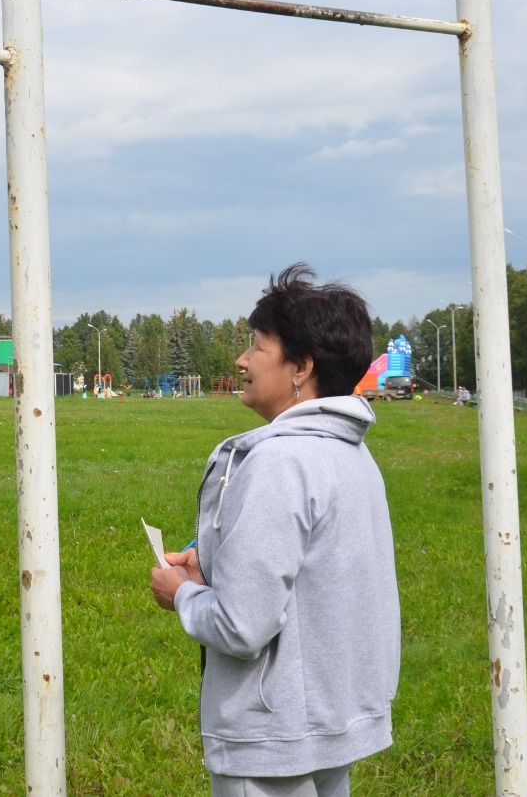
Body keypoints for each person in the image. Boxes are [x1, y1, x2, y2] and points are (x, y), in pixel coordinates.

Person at [150, 265, 400, 797]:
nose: (241, 360)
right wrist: (210, 565)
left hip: (269, 740)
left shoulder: (277, 462)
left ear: (300, 368)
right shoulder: (353, 456)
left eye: (258, 346)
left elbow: (243, 627)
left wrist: (184, 595)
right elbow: (314, 577)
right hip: (330, 723)